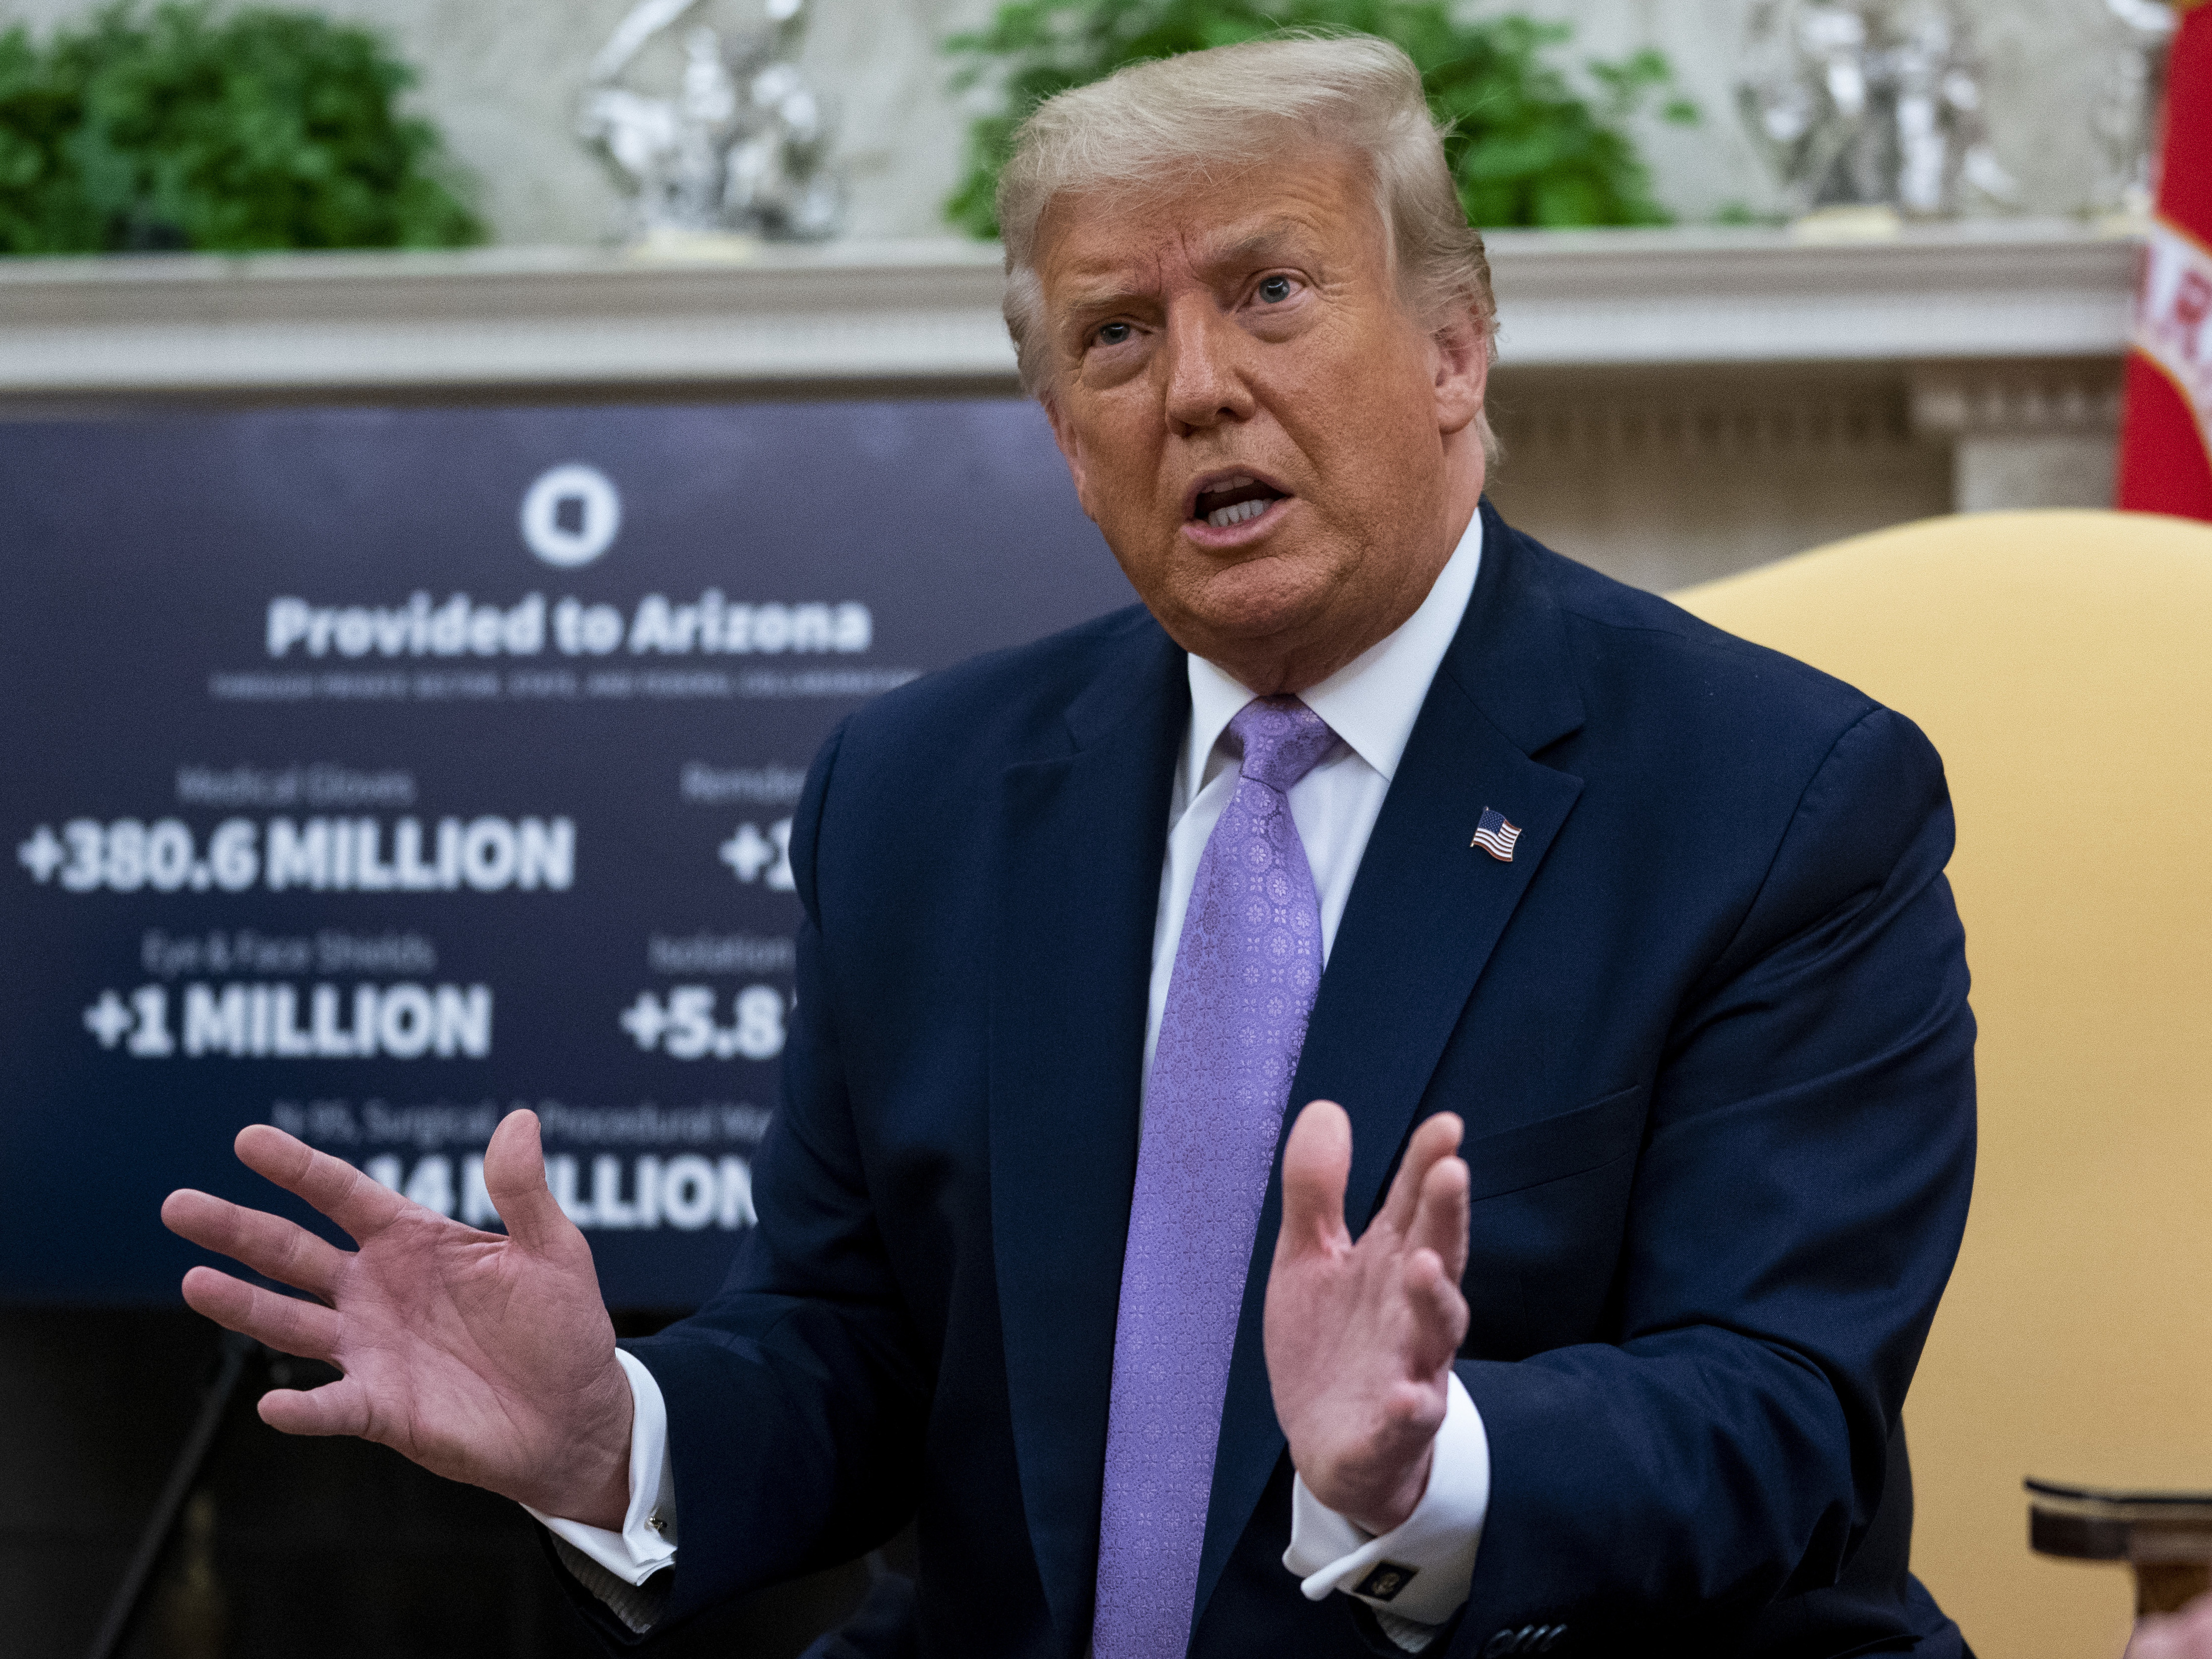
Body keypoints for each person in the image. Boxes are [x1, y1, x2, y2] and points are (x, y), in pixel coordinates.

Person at [161, 34, 1978, 1659]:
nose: (1196, 389)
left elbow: (1783, 1409)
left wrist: (1427, 1464)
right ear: (1063, 437)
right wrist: (612, 1435)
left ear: (1453, 350)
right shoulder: (915, 793)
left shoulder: (1780, 796)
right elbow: (858, 1345)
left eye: (1271, 293)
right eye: (1117, 334)